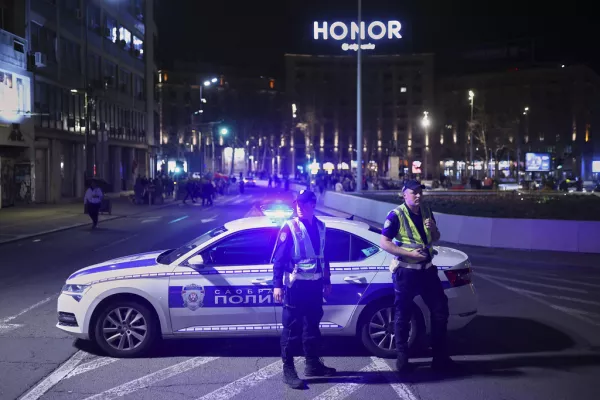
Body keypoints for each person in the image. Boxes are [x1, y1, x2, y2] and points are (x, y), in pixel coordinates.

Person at [379, 180, 457, 374]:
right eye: (413, 192)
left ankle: (440, 358)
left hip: (428, 271)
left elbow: (436, 237)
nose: (418, 195)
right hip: (406, 271)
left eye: (420, 192)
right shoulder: (396, 215)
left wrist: (433, 230)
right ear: (403, 194)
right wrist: (409, 254)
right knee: (402, 316)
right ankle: (402, 358)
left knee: (440, 311)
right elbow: (384, 243)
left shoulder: (426, 211)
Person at [272, 189, 336, 389]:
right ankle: (288, 370)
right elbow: (279, 260)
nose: (298, 207)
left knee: (312, 327)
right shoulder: (289, 227)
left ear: (313, 204)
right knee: (291, 329)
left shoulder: (321, 226)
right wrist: (277, 285)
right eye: (297, 204)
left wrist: (326, 281)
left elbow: (324, 257)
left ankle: (312, 364)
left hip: (315, 285)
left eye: (303, 203)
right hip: (295, 285)